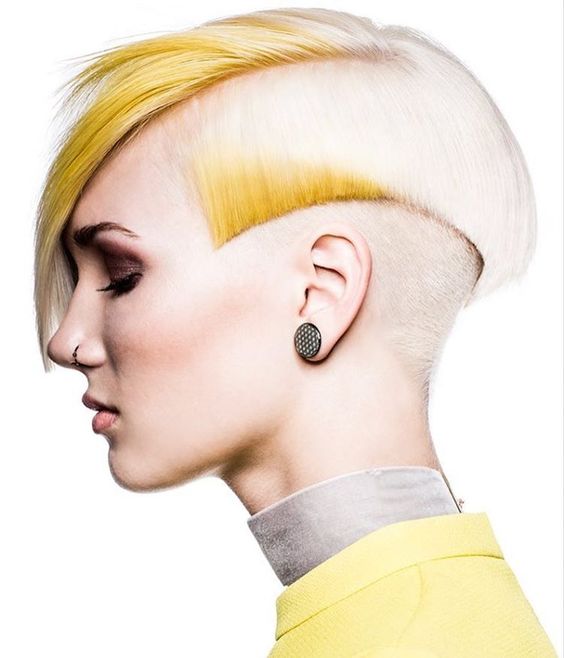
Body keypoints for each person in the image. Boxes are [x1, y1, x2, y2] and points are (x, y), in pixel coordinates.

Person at [33, 7, 558, 657]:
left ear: (320, 293)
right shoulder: (441, 614)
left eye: (121, 276)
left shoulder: (402, 641)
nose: (65, 341)